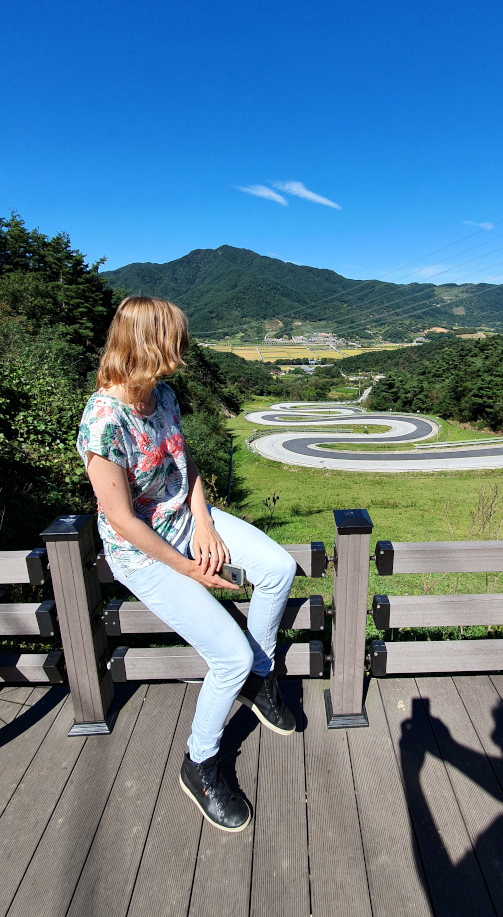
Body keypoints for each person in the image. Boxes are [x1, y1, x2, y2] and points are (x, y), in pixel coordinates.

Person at [77, 295, 296, 833]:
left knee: (279, 568)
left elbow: (185, 459)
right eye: (173, 341)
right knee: (227, 656)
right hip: (142, 551)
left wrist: (204, 522)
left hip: (184, 518)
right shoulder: (104, 422)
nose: (181, 352)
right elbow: (124, 522)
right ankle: (200, 763)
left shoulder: (163, 394)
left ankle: (260, 676)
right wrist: (190, 567)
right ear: (146, 344)